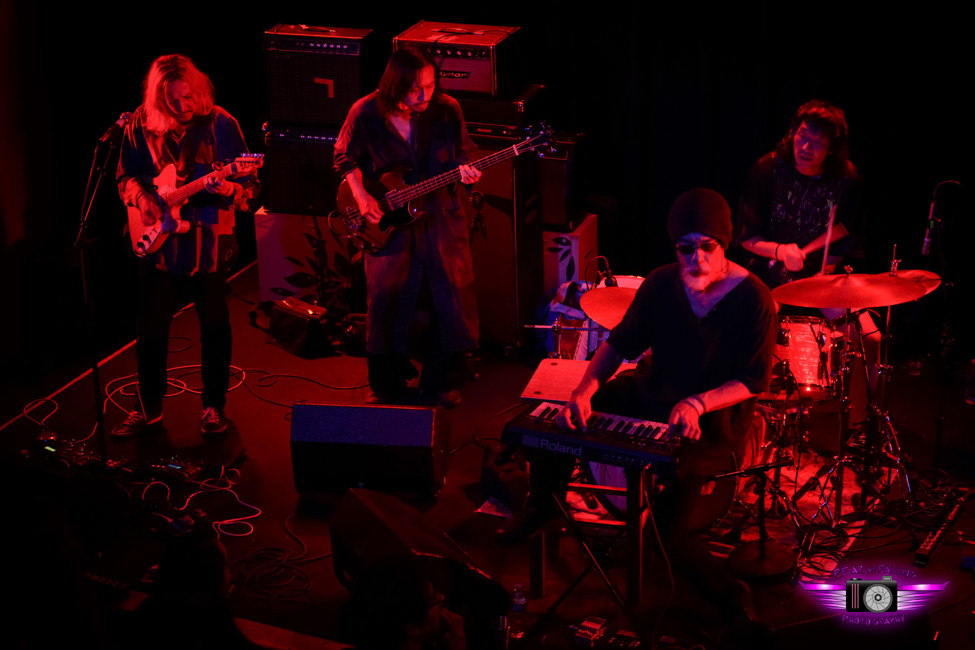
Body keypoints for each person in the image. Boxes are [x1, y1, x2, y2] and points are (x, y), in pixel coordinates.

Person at [500, 189, 777, 629]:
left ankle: (730, 594)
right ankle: (544, 503)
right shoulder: (661, 283)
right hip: (655, 393)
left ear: (724, 244)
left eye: (708, 246)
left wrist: (698, 402)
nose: (696, 258)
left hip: (714, 418)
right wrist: (585, 388)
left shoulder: (754, 299)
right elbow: (618, 344)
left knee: (665, 536)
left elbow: (753, 380)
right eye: (686, 248)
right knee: (558, 424)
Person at [113, 54, 258, 438]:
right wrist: (142, 200)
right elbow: (125, 176)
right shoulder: (140, 127)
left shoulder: (222, 124)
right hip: (158, 245)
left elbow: (252, 190)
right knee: (151, 329)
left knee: (214, 324)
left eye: (188, 97)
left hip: (208, 243)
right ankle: (147, 409)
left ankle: (213, 406)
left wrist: (229, 186)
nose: (183, 107)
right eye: (172, 101)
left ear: (198, 89)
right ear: (157, 101)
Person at [333, 45, 481, 408]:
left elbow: (466, 153)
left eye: (430, 86)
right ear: (395, 85)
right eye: (416, 88)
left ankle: (440, 383)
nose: (424, 96)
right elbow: (343, 155)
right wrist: (362, 196)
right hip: (390, 222)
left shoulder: (447, 110)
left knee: (449, 299)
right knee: (386, 300)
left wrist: (467, 171)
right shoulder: (365, 112)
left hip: (441, 218)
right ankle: (386, 385)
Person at [735, 99, 880, 389]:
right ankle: (750, 406)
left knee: (870, 339)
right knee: (753, 326)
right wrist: (780, 251)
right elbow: (747, 238)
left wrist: (825, 271)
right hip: (769, 273)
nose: (805, 148)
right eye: (802, 136)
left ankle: (861, 427)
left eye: (816, 142)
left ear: (832, 148)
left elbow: (847, 239)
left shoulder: (847, 179)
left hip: (820, 280)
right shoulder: (768, 169)